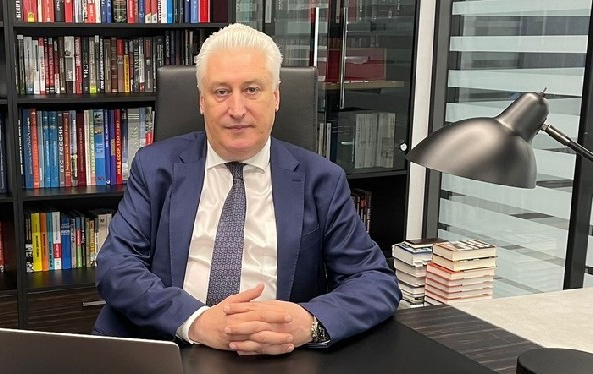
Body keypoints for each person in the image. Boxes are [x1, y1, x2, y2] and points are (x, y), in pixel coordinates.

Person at [94, 23, 400, 356]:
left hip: (278, 357)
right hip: (171, 346)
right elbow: (116, 266)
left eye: (252, 90)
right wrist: (196, 321)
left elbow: (374, 280)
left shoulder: (322, 180)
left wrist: (309, 322)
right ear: (202, 101)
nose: (237, 110)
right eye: (221, 91)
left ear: (276, 97)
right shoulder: (155, 167)